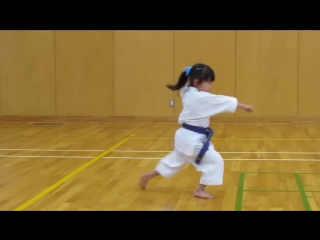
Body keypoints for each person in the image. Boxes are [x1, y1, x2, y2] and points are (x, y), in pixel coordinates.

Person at [139, 63, 253, 199]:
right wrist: (244, 106)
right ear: (197, 82)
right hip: (193, 140)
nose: (210, 86)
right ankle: (199, 190)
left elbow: (187, 78)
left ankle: (148, 175)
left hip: (183, 136)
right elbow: (224, 101)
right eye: (208, 82)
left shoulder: (187, 91)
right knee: (216, 162)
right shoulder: (201, 97)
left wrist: (190, 71)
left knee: (175, 161)